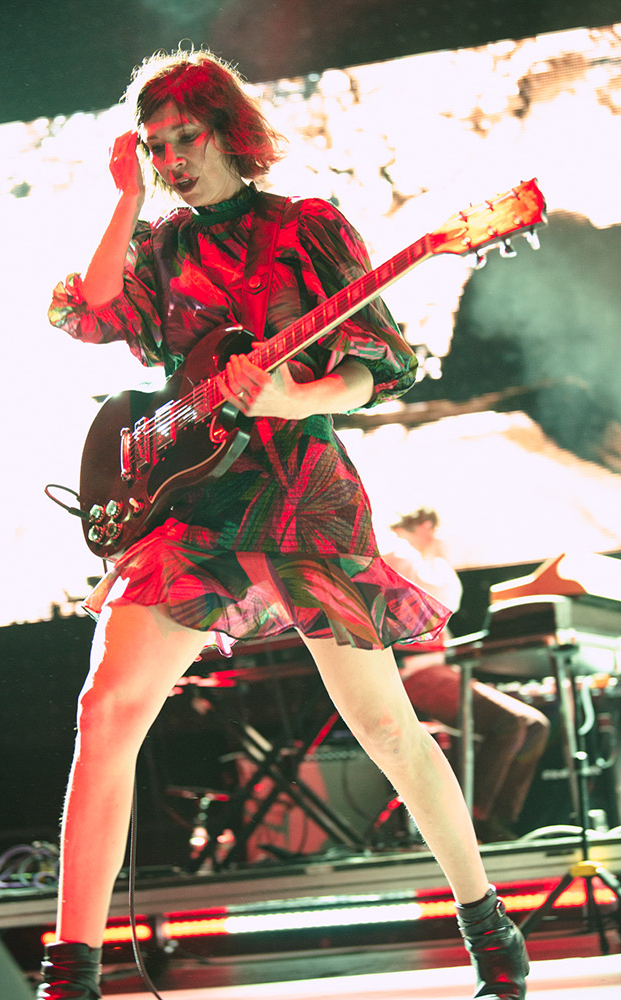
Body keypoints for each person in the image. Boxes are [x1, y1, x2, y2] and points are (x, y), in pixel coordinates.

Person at [39, 48, 528, 1000]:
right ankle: (72, 976)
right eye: (155, 143)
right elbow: (92, 311)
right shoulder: (161, 242)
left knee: (386, 723)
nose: (172, 156)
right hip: (192, 502)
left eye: (185, 136)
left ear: (226, 129)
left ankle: (492, 935)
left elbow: (381, 361)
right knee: (106, 711)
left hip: (301, 491)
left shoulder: (304, 229)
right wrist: (124, 198)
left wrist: (296, 400)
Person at [384, 508, 550, 843]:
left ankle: (495, 820)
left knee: (533, 726)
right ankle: (472, 821)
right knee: (510, 723)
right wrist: (436, 554)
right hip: (410, 672)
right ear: (427, 526)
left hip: (432, 667)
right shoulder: (394, 550)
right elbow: (442, 595)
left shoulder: (407, 554)